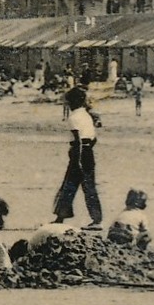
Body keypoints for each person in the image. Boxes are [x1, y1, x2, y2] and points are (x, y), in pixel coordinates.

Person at [51, 86, 104, 230]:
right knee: (89, 188)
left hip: (78, 154)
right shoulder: (87, 116)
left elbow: (78, 140)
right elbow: (93, 139)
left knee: (69, 186)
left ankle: (61, 217)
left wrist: (77, 159)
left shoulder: (74, 118)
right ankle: (96, 219)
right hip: (88, 153)